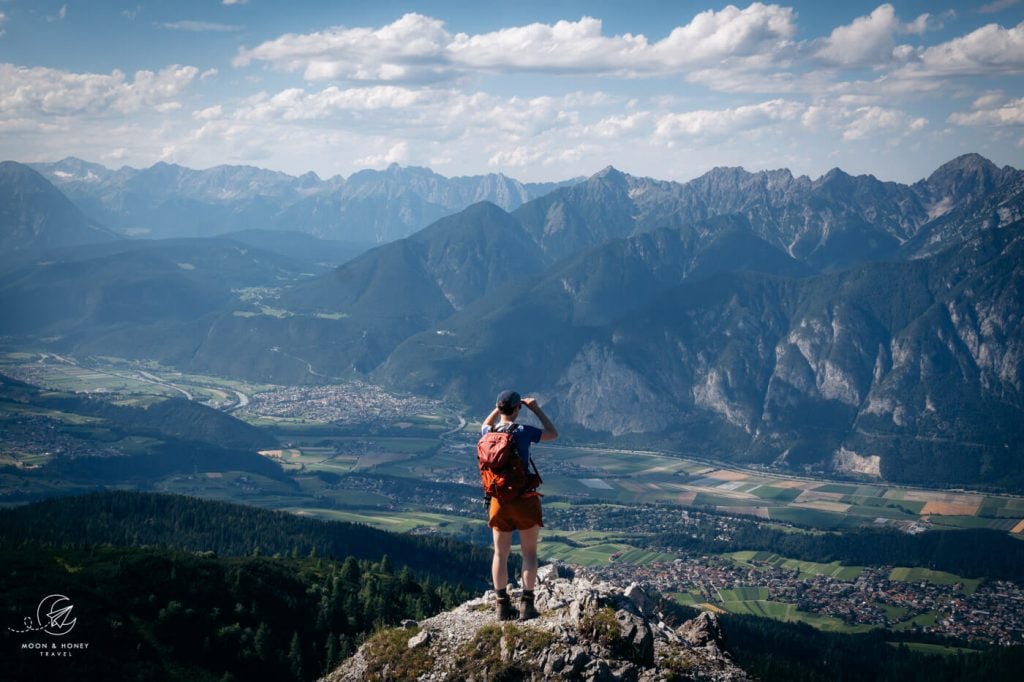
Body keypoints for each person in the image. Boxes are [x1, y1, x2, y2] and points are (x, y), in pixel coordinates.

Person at [481, 389, 558, 621]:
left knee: (500, 553)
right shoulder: (523, 432)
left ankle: (502, 606)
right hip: (524, 500)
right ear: (517, 409)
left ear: (499, 408)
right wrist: (535, 408)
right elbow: (553, 433)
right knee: (529, 553)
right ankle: (526, 604)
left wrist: (498, 407)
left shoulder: (488, 432)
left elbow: (485, 423)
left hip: (498, 501)